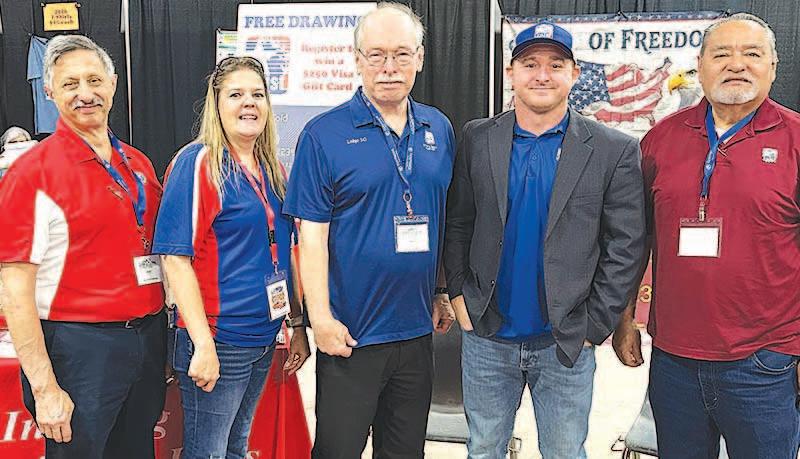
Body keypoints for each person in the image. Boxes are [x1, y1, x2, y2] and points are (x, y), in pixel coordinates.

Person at [444, 22, 645, 459]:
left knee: (564, 452)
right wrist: (458, 295)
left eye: (556, 65)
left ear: (574, 74)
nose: (542, 75)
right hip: (487, 333)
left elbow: (625, 246)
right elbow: (458, 221)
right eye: (530, 64)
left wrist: (595, 325)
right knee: (483, 448)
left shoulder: (613, 149)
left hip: (565, 340)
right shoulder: (477, 138)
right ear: (511, 73)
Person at [612, 13, 800, 459]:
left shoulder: (796, 140)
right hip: (674, 361)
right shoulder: (660, 140)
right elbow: (636, 240)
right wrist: (623, 319)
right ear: (700, 65)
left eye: (752, 54)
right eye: (721, 54)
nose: (736, 64)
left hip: (764, 363)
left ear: (773, 67)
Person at [283, 3, 456, 457]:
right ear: (357, 59)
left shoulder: (439, 128)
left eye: (401, 54)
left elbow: (440, 217)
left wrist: (440, 291)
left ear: (420, 58)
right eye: (376, 55)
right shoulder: (323, 135)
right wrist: (320, 319)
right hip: (351, 334)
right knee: (338, 450)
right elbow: (311, 238)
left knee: (405, 452)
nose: (389, 67)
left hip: (416, 333)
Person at [0, 35, 166, 457]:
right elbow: (14, 288)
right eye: (70, 84)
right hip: (78, 349)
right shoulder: (32, 173)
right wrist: (44, 387)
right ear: (49, 90)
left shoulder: (138, 164)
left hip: (146, 336)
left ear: (113, 84)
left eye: (94, 80)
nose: (85, 94)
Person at [152, 56, 310, 458]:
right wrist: (202, 344)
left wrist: (295, 324)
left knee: (237, 447)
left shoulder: (272, 168)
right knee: (208, 452)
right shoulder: (199, 163)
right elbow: (174, 259)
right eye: (236, 94)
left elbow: (283, 253)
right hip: (219, 339)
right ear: (217, 103)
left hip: (263, 337)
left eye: (257, 94)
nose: (249, 103)